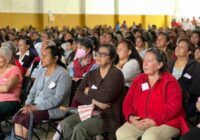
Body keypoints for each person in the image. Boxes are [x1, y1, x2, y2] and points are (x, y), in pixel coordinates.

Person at [116, 47, 189, 140]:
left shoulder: (170, 81)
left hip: (167, 122)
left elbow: (174, 107)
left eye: (149, 61)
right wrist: (130, 117)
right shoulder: (139, 79)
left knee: (150, 137)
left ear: (160, 65)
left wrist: (154, 121)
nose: (144, 64)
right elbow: (127, 101)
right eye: (144, 60)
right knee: (122, 133)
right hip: (141, 120)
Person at [59, 44, 124, 140]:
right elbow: (78, 93)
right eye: (97, 54)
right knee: (65, 123)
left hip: (108, 116)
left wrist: (88, 90)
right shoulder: (92, 73)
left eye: (102, 55)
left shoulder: (117, 74)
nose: (98, 57)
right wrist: (95, 101)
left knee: (80, 129)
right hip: (89, 111)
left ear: (112, 58)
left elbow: (106, 97)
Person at [13, 45, 72, 140]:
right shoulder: (41, 71)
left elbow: (58, 99)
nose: (42, 58)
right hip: (36, 105)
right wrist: (27, 104)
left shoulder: (63, 74)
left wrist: (36, 107)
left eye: (46, 56)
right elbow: (33, 91)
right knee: (18, 117)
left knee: (27, 118)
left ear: (55, 58)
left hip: (54, 109)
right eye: (42, 55)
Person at [168, 39, 200, 118]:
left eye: (181, 47)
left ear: (189, 52)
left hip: (186, 102)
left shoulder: (195, 66)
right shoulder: (169, 64)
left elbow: (195, 89)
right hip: (167, 99)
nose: (177, 48)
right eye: (177, 46)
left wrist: (177, 94)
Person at [0, 47, 23, 139]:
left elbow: (6, 88)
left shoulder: (15, 70)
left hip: (11, 101)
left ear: (6, 58)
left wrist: (3, 87)